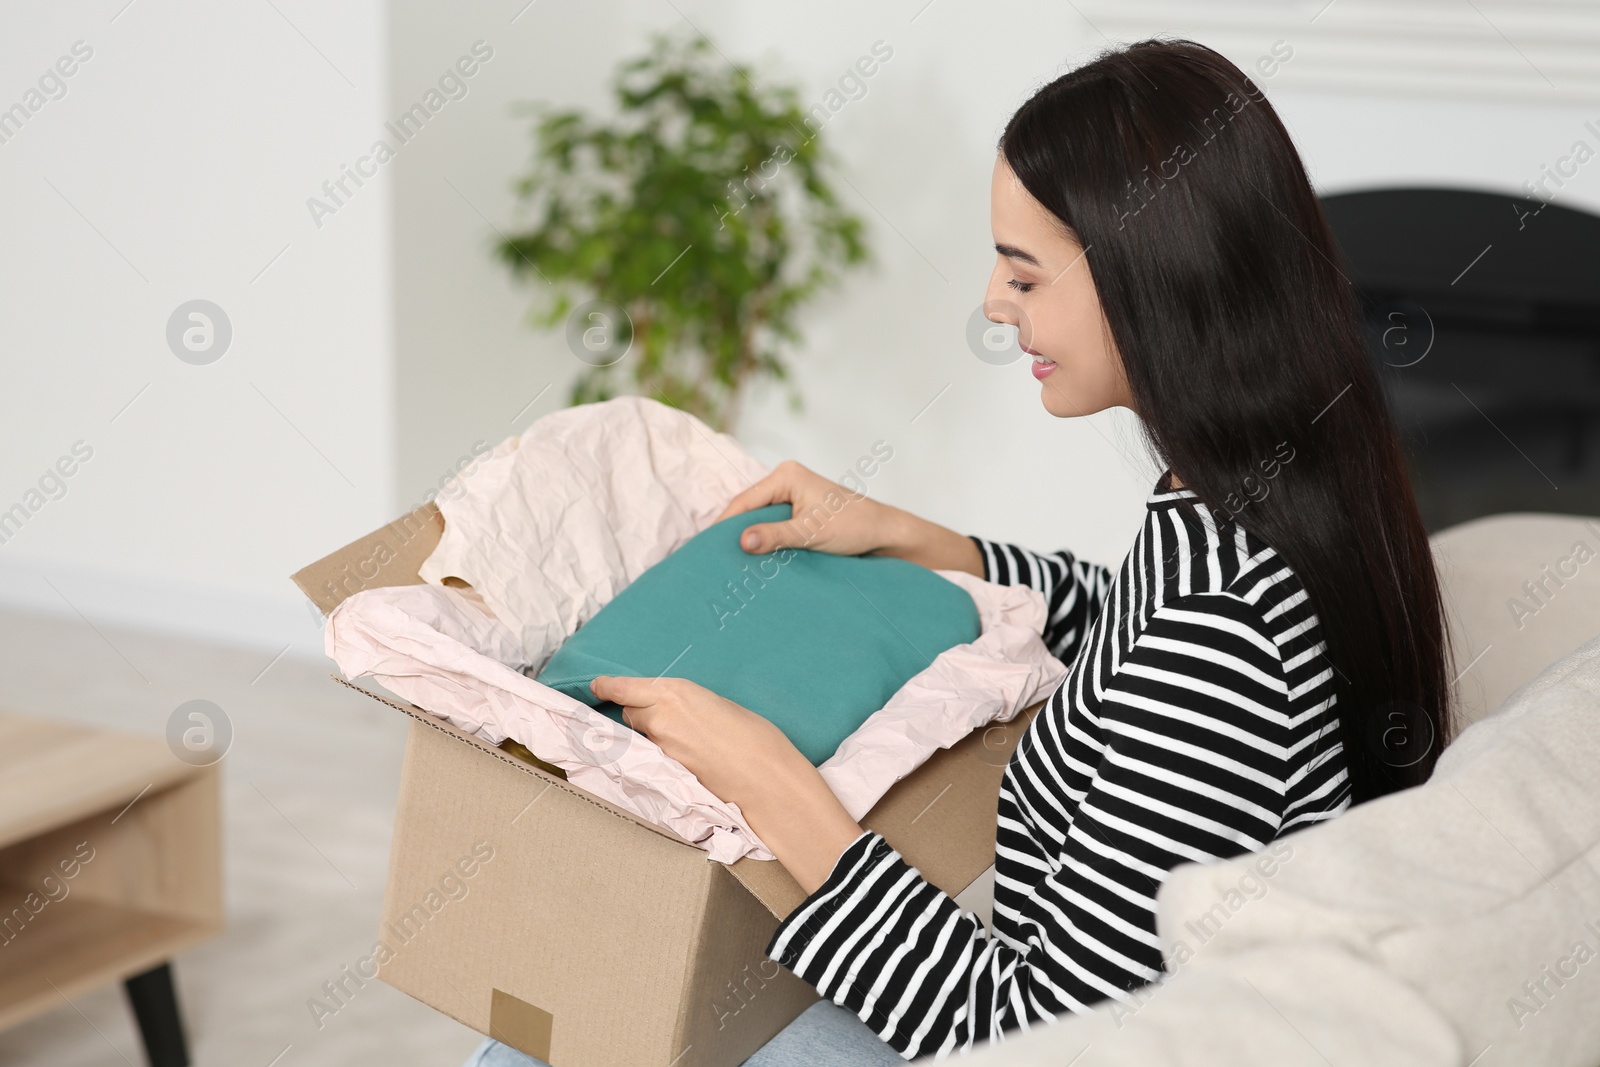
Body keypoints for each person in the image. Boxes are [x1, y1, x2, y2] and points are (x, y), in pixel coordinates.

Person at [463, 34, 1452, 1066]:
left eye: (1024, 274)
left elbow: (1044, 1039)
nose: (992, 302)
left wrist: (781, 791)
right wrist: (914, 536)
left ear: (1151, 281)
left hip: (1033, 1037)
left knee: (570, 1025)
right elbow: (1128, 623)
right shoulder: (1273, 500)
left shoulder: (1216, 635)